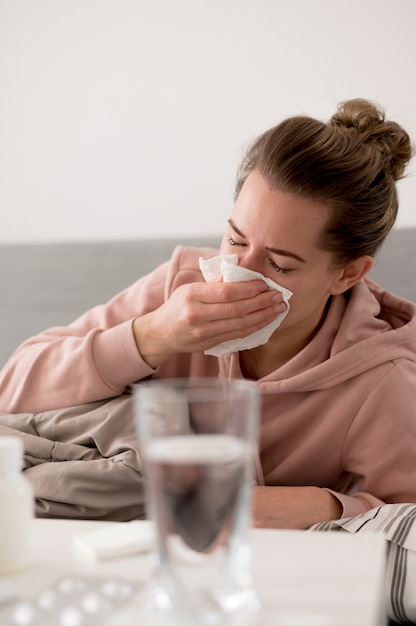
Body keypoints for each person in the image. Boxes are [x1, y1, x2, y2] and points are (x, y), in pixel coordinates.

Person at [0, 98, 415, 530]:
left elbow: (405, 515)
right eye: (235, 240)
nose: (239, 273)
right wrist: (154, 337)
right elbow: (11, 390)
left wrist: (325, 506)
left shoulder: (381, 379)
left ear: (347, 274)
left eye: (280, 264)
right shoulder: (181, 283)